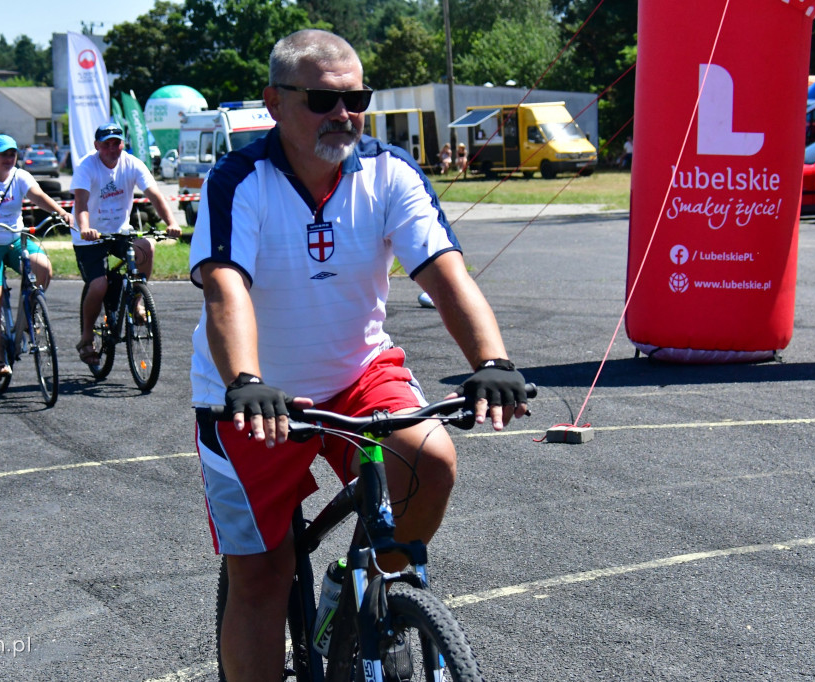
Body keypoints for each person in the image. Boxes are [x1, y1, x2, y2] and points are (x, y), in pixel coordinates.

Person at [188, 29, 528, 682]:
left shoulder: (388, 173)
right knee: (260, 576)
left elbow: (446, 275)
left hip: (357, 375)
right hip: (251, 399)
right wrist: (246, 379)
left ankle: (369, 591)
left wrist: (492, 360)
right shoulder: (240, 182)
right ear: (274, 103)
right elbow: (225, 288)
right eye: (321, 100)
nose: (343, 115)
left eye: (356, 99)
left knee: (431, 460)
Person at [71, 123, 182, 364]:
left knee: (146, 247)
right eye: (107, 143)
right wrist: (85, 229)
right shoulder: (86, 166)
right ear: (97, 146)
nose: (113, 148)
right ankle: (87, 337)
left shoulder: (132, 163)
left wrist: (171, 222)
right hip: (90, 237)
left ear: (123, 143)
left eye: (117, 143)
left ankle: (136, 302)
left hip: (120, 232)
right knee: (99, 285)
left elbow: (155, 195)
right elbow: (81, 204)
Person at [0, 134, 72, 381]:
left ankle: (25, 321)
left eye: (12, 153)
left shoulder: (20, 176)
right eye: (3, 154)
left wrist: (62, 213)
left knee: (43, 268)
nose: (8, 158)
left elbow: (38, 196)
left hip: (14, 240)